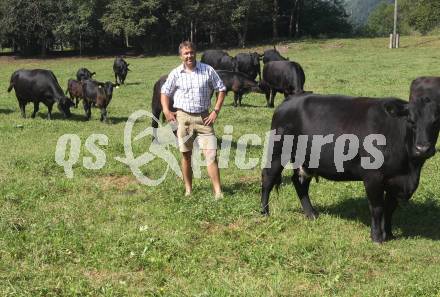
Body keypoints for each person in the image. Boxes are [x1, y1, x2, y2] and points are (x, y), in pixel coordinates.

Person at [160, 41, 226, 199]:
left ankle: (218, 191)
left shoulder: (207, 70)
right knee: (186, 155)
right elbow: (165, 92)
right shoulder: (176, 73)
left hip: (204, 118)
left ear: (195, 53)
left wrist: (215, 110)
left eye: (191, 52)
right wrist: (166, 110)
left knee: (210, 154)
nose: (189, 55)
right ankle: (188, 190)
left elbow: (221, 88)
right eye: (185, 53)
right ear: (180, 56)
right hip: (183, 118)